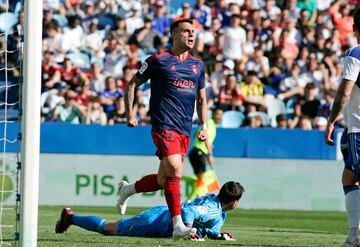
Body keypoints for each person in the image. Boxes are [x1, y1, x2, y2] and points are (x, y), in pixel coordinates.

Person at [119, 19, 208, 239]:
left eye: (193, 32)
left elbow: (202, 98)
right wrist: (130, 114)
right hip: (164, 125)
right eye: (186, 31)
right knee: (176, 170)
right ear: (174, 35)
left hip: (184, 130)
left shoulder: (198, 66)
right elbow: (132, 84)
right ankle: (177, 225)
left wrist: (204, 125)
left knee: (163, 180)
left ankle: (128, 189)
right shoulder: (158, 61)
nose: (191, 35)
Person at [55, 181, 244, 241]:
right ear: (234, 202)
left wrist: (217, 235)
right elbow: (189, 212)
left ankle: (71, 218)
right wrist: (186, 229)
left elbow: (204, 224)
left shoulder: (217, 205)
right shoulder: (212, 209)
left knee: (110, 227)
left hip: (164, 218)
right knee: (108, 228)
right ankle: (70, 218)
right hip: (157, 221)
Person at [324, 7, 360, 247]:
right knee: (349, 178)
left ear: (354, 27)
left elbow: (345, 90)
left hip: (358, 130)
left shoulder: (356, 53)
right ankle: (352, 237)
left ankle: (354, 237)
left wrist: (331, 119)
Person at [189, 108, 223, 179]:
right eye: (217, 114)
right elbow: (206, 138)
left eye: (221, 115)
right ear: (213, 114)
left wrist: (210, 145)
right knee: (202, 179)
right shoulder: (210, 123)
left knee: (200, 179)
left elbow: (196, 134)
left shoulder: (208, 123)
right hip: (198, 153)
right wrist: (210, 154)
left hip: (196, 153)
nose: (219, 117)